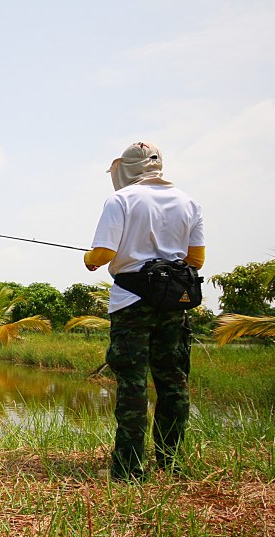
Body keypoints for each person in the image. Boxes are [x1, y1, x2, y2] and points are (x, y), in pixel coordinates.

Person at [84, 141, 205, 481]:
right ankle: (170, 461)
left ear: (127, 168)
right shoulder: (188, 202)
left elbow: (103, 254)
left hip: (131, 303)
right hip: (174, 304)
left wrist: (89, 259)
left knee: (133, 386)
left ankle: (128, 468)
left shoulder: (120, 200)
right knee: (174, 383)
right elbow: (196, 261)